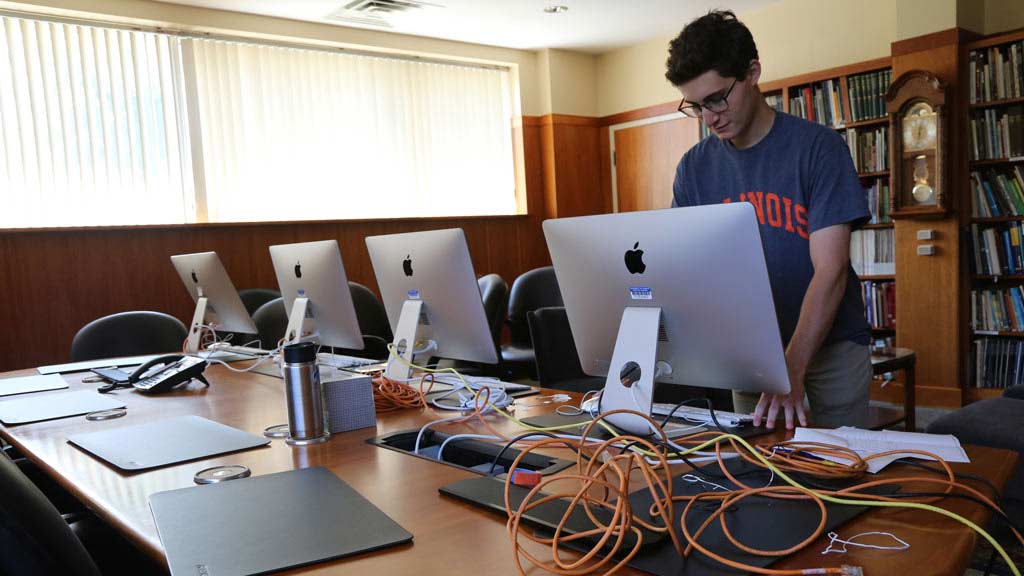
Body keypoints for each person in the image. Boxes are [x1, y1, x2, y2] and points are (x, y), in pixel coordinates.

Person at [665, 10, 872, 430]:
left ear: (753, 72)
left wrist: (791, 368)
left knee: (841, 472)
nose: (710, 117)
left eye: (718, 98)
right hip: (752, 355)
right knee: (759, 470)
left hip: (831, 347)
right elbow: (689, 268)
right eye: (697, 105)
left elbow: (830, 271)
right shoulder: (694, 168)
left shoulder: (819, 149)